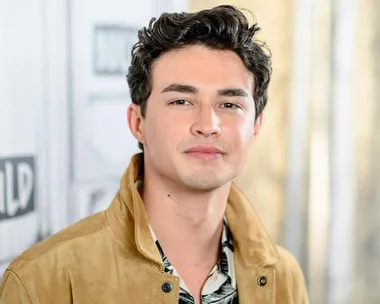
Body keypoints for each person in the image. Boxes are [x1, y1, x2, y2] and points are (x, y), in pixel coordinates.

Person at [0, 5, 309, 304]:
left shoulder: (283, 275)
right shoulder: (43, 281)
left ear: (255, 127)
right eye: (181, 101)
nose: (208, 125)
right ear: (138, 123)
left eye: (229, 104)